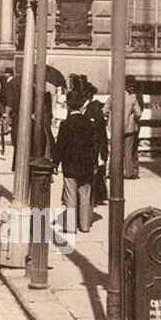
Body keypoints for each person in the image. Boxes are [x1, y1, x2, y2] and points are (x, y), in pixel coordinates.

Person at [52, 89, 97, 234]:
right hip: (86, 164)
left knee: (70, 196)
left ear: (68, 105)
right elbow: (94, 145)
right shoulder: (89, 123)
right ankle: (85, 225)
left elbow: (60, 146)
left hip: (70, 165)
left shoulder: (66, 124)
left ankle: (70, 226)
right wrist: (95, 163)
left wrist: (55, 163)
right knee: (85, 195)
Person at [122, 76, 145, 179]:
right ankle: (132, 170)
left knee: (127, 149)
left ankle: (129, 170)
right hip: (133, 125)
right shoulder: (135, 97)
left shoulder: (118, 96)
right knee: (131, 149)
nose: (132, 88)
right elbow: (139, 112)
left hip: (121, 126)